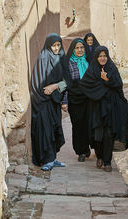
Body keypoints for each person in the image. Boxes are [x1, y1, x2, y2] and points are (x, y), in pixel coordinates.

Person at [80, 46, 128, 172]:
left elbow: (118, 84)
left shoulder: (112, 68)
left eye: (105, 56)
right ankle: (99, 156)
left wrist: (107, 80)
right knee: (97, 135)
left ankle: (107, 161)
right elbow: (85, 85)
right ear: (96, 57)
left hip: (110, 108)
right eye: (100, 56)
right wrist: (97, 91)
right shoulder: (92, 70)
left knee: (109, 134)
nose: (103, 58)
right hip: (96, 108)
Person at [30, 33, 68, 171]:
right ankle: (46, 160)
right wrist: (48, 92)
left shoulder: (61, 58)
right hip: (43, 101)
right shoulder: (43, 58)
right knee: (46, 130)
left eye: (58, 45)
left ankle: (52, 159)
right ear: (48, 45)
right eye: (54, 45)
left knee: (54, 128)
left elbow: (68, 81)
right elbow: (37, 82)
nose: (57, 48)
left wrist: (55, 86)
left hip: (54, 101)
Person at [62, 38, 94, 162]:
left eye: (82, 48)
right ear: (73, 49)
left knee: (89, 124)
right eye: (77, 48)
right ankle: (81, 151)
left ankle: (89, 148)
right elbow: (65, 83)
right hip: (74, 98)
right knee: (77, 125)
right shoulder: (68, 63)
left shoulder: (89, 61)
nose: (80, 50)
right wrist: (64, 101)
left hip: (89, 98)